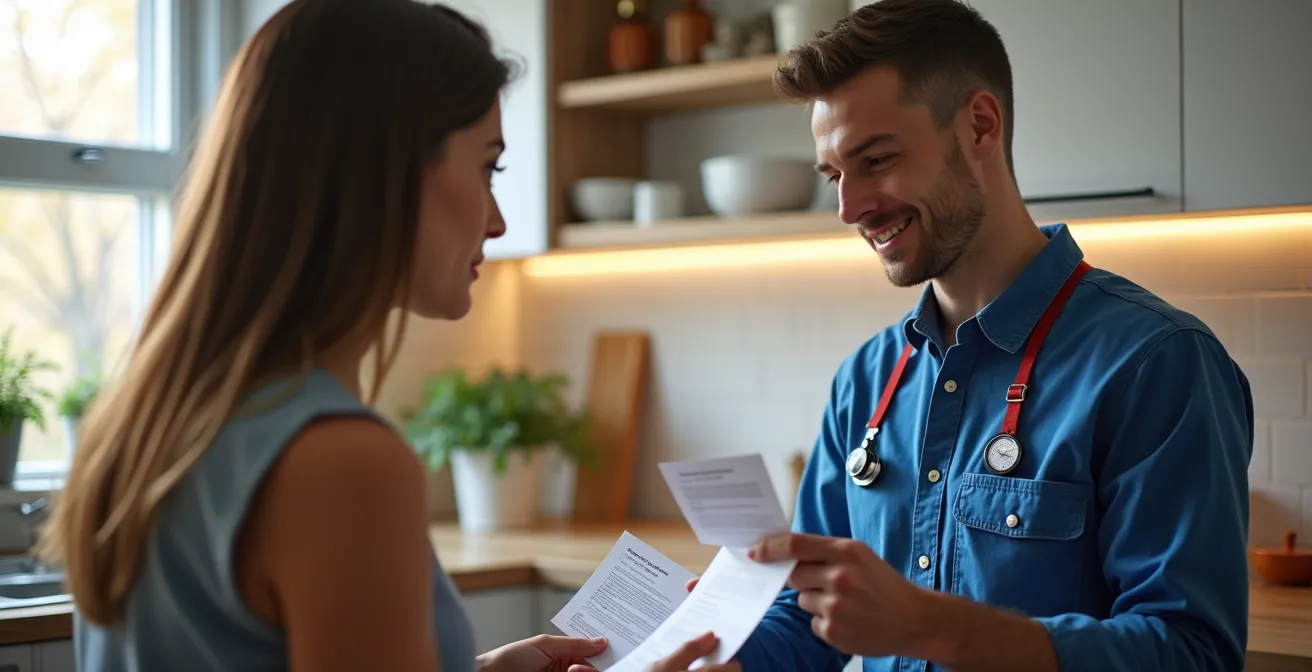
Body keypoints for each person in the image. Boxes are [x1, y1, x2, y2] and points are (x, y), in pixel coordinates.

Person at [34, 1, 737, 671]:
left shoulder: (151, 419)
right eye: (488, 166)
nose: (496, 220)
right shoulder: (341, 462)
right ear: (386, 173)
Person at [722, 1, 1255, 671]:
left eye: (877, 159)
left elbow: (1193, 652)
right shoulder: (865, 379)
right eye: (835, 175)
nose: (849, 208)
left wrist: (933, 627)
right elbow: (807, 620)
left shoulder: (1157, 364)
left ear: (979, 126)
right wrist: (713, 661)